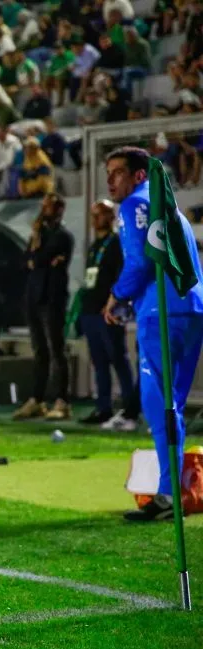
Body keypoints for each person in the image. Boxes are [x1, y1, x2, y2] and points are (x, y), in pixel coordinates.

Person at [102, 147, 203, 521]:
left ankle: (168, 494)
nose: (111, 180)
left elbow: (141, 260)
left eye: (117, 172)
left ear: (139, 176)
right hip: (190, 308)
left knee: (156, 402)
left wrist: (116, 296)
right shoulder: (166, 205)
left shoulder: (132, 206)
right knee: (170, 404)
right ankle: (172, 489)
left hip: (163, 312)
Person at [14, 193, 74, 421]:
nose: (44, 209)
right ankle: (37, 400)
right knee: (40, 351)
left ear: (58, 210)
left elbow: (38, 259)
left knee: (57, 349)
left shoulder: (63, 236)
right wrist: (38, 258)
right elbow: (26, 261)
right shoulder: (38, 235)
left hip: (53, 298)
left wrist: (38, 258)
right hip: (34, 296)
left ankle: (62, 401)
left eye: (48, 206)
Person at [78, 199, 138, 429]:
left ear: (111, 216)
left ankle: (128, 408)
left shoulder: (116, 243)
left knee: (118, 359)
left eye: (99, 214)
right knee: (99, 361)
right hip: (91, 310)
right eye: (93, 215)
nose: (95, 220)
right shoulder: (95, 245)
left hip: (109, 311)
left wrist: (115, 303)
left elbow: (120, 275)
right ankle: (103, 408)